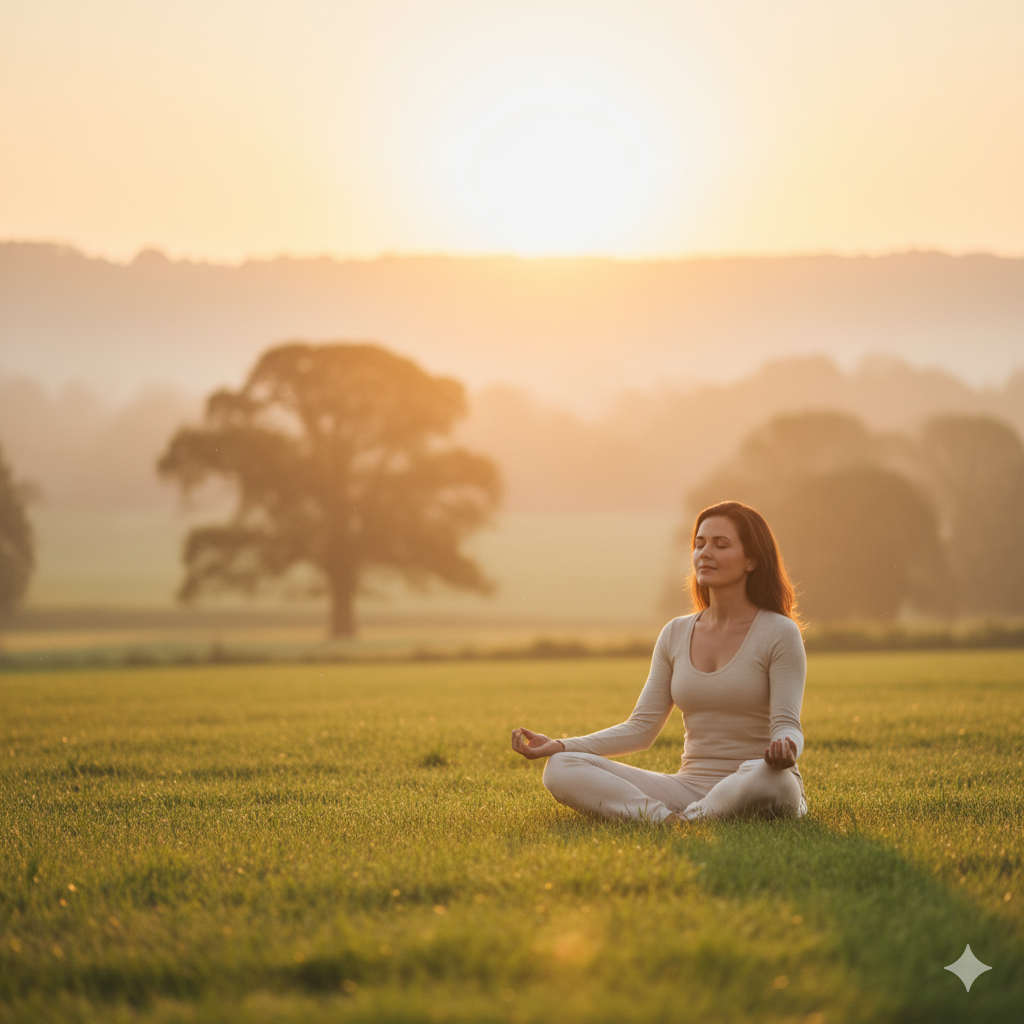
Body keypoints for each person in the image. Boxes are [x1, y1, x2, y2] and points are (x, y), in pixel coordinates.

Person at [511, 501, 807, 823]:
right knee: (561, 766)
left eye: (721, 545)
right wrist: (560, 745)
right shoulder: (676, 633)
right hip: (690, 787)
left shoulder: (779, 631)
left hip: (762, 781)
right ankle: (668, 821)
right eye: (699, 544)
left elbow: (787, 724)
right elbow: (641, 729)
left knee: (762, 773)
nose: (704, 553)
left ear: (751, 560)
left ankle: (692, 818)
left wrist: (786, 746)